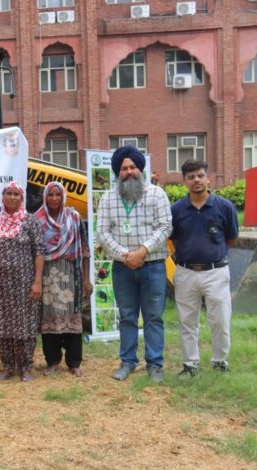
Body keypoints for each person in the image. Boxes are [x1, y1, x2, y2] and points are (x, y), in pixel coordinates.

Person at [96, 145, 172, 383]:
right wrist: (125, 255)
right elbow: (102, 232)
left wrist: (142, 251)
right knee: (127, 316)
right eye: (124, 168)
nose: (129, 172)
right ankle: (127, 362)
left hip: (153, 265)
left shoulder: (157, 194)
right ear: (117, 173)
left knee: (153, 317)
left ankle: (155, 364)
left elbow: (165, 227)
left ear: (140, 169)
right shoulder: (108, 198)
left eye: (132, 167)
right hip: (123, 267)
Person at [171, 159, 239, 378]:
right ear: (184, 181)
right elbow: (173, 239)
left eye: (200, 175)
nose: (196, 180)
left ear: (208, 178)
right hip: (186, 272)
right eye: (191, 177)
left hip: (216, 272)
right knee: (187, 321)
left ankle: (220, 362)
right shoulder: (177, 210)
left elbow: (231, 239)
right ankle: (190, 364)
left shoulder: (224, 207)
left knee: (220, 319)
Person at [0, 181, 44, 382]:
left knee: (25, 325)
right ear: (2, 197)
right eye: (8, 193)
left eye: (16, 194)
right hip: (0, 285)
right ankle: (7, 367)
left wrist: (37, 281)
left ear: (22, 198)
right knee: (2, 325)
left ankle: (26, 368)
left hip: (25, 283)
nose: (12, 197)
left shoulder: (30, 221)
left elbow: (39, 252)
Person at [35, 181, 92, 377]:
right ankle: (52, 361)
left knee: (73, 318)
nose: (54, 198)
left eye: (58, 194)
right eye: (50, 195)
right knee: (49, 319)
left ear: (64, 196)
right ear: (45, 197)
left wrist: (86, 279)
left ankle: (74, 362)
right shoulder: (37, 220)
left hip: (71, 274)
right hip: (47, 275)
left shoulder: (74, 217)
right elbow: (34, 252)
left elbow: (85, 249)